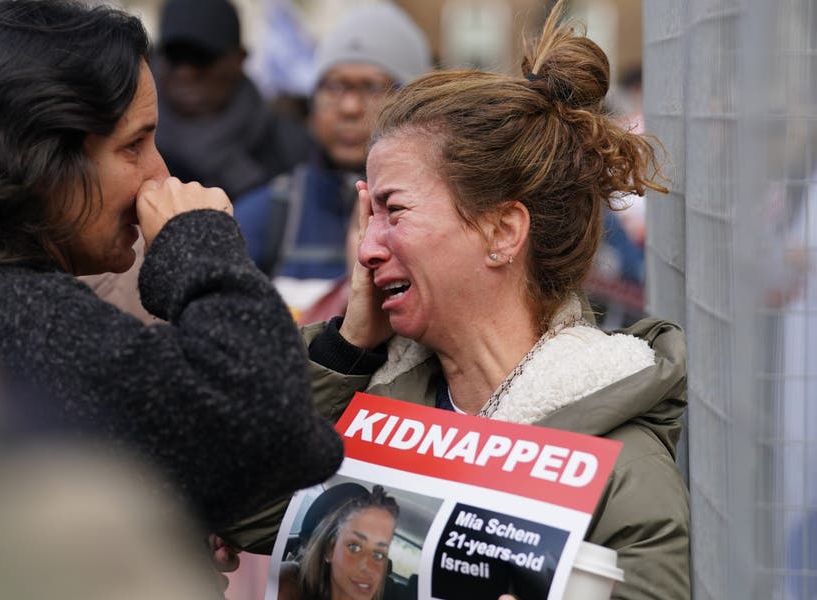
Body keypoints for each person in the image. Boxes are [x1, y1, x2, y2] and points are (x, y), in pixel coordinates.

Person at [0, 0, 343, 538]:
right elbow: (272, 426)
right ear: (39, 159)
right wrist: (196, 244)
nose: (159, 173)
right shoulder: (15, 312)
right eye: (133, 144)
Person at [301, 3, 690, 599]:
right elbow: (250, 514)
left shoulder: (621, 470)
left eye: (394, 210)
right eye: (367, 214)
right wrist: (346, 347)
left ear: (503, 231)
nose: (367, 249)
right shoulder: (371, 390)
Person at [234, 3, 433, 314]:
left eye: (371, 87)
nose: (350, 107)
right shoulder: (266, 217)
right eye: (334, 86)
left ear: (412, 101)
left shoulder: (440, 221)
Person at [153, 0, 313, 200]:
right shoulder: (131, 144)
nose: (187, 72)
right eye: (175, 56)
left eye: (202, 57)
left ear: (240, 58)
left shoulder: (288, 145)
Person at [278, 485, 400, 600]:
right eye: (354, 547)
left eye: (378, 554)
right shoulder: (287, 586)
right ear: (330, 549)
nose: (368, 567)